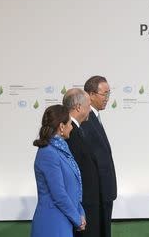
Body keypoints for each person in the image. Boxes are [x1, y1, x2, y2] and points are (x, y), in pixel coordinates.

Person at [31, 104, 86, 237]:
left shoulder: (62, 149)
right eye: (69, 123)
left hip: (64, 221)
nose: (72, 127)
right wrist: (77, 219)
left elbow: (74, 186)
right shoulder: (47, 153)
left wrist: (81, 212)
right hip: (52, 223)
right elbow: (59, 194)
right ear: (61, 126)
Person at [81, 76, 117, 237]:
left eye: (109, 94)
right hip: (96, 193)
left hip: (105, 192)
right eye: (105, 94)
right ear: (91, 94)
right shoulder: (86, 120)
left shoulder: (95, 118)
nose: (107, 99)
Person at [63, 88, 101, 237]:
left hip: (87, 205)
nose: (90, 110)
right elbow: (74, 173)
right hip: (82, 206)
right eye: (88, 104)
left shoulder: (78, 130)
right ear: (79, 107)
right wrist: (78, 210)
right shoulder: (70, 134)